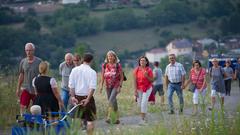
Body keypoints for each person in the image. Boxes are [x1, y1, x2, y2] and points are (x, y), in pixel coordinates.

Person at [69, 53, 97, 135]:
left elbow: (71, 85)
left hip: (77, 97)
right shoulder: (92, 72)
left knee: (77, 119)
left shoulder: (74, 70)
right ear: (91, 61)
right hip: (87, 97)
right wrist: (88, 99)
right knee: (90, 121)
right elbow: (92, 87)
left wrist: (73, 97)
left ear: (82, 60)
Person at [16, 43, 42, 115]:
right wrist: (18, 88)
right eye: (27, 50)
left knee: (36, 109)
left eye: (30, 50)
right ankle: (22, 121)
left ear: (33, 51)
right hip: (25, 88)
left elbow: (42, 75)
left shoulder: (39, 61)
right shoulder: (23, 62)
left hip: (36, 90)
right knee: (22, 106)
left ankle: (35, 123)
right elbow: (21, 75)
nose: (28, 52)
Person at [99, 50, 124, 124]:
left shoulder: (118, 65)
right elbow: (102, 76)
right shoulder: (104, 65)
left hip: (116, 85)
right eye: (109, 56)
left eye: (111, 56)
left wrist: (120, 86)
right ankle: (117, 118)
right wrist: (101, 86)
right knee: (113, 101)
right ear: (107, 57)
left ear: (114, 57)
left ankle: (109, 117)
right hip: (108, 86)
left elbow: (122, 77)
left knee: (110, 100)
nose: (110, 57)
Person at [133, 56, 153, 125]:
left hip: (147, 88)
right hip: (139, 89)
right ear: (139, 62)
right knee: (140, 105)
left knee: (143, 103)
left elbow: (151, 80)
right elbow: (135, 81)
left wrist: (147, 76)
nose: (142, 62)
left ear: (146, 62)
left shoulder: (149, 70)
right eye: (141, 60)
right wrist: (135, 91)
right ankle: (146, 117)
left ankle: (142, 120)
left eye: (144, 60)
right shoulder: (136, 70)